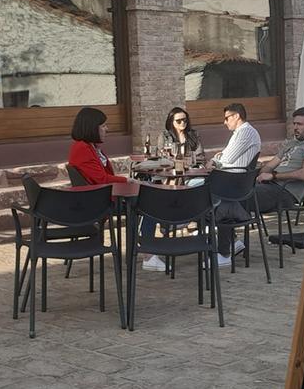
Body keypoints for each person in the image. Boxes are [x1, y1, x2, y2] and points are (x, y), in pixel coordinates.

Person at [215, 107, 304, 266]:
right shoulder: (291, 144)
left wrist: (273, 176)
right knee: (224, 192)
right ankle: (232, 242)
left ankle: (225, 252)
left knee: (231, 198)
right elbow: (269, 166)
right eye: (294, 124)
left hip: (285, 192)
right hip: (269, 187)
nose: (295, 127)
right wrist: (261, 174)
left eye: (300, 124)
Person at [140, 108, 206, 272]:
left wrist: (185, 160)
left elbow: (201, 156)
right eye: (179, 121)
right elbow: (165, 158)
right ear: (171, 122)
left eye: (185, 119)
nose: (183, 123)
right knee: (160, 197)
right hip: (168, 176)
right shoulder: (166, 136)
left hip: (189, 175)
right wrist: (185, 159)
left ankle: (187, 222)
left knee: (201, 186)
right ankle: (173, 223)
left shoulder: (193, 134)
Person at [67, 107, 128, 185]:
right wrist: (128, 180)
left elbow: (106, 173)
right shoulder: (82, 148)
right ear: (92, 128)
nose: (107, 129)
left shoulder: (92, 146)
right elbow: (102, 179)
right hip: (96, 194)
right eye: (103, 126)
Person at [211, 103, 260, 170]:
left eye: (226, 118)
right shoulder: (239, 132)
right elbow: (225, 154)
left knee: (196, 180)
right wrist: (217, 158)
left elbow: (228, 158)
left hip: (234, 176)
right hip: (228, 174)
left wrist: (215, 160)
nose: (225, 122)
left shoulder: (246, 132)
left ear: (236, 116)